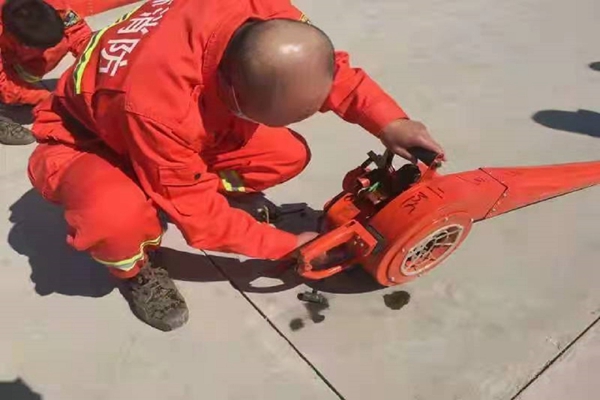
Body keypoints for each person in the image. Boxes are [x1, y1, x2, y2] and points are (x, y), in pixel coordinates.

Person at [28, 0, 446, 331]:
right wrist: (285, 245)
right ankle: (135, 270)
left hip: (151, 124)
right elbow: (199, 217)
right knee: (114, 218)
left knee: (284, 154)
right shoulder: (158, 105)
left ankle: (169, 183)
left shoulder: (259, 12)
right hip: (87, 142)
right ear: (229, 89)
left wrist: (390, 122)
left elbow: (321, 67)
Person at [0, 0, 91, 145]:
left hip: (11, 46)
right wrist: (54, 98)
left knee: (56, 48)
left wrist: (94, 65)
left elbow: (79, 33)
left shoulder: (54, 5)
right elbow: (6, 87)